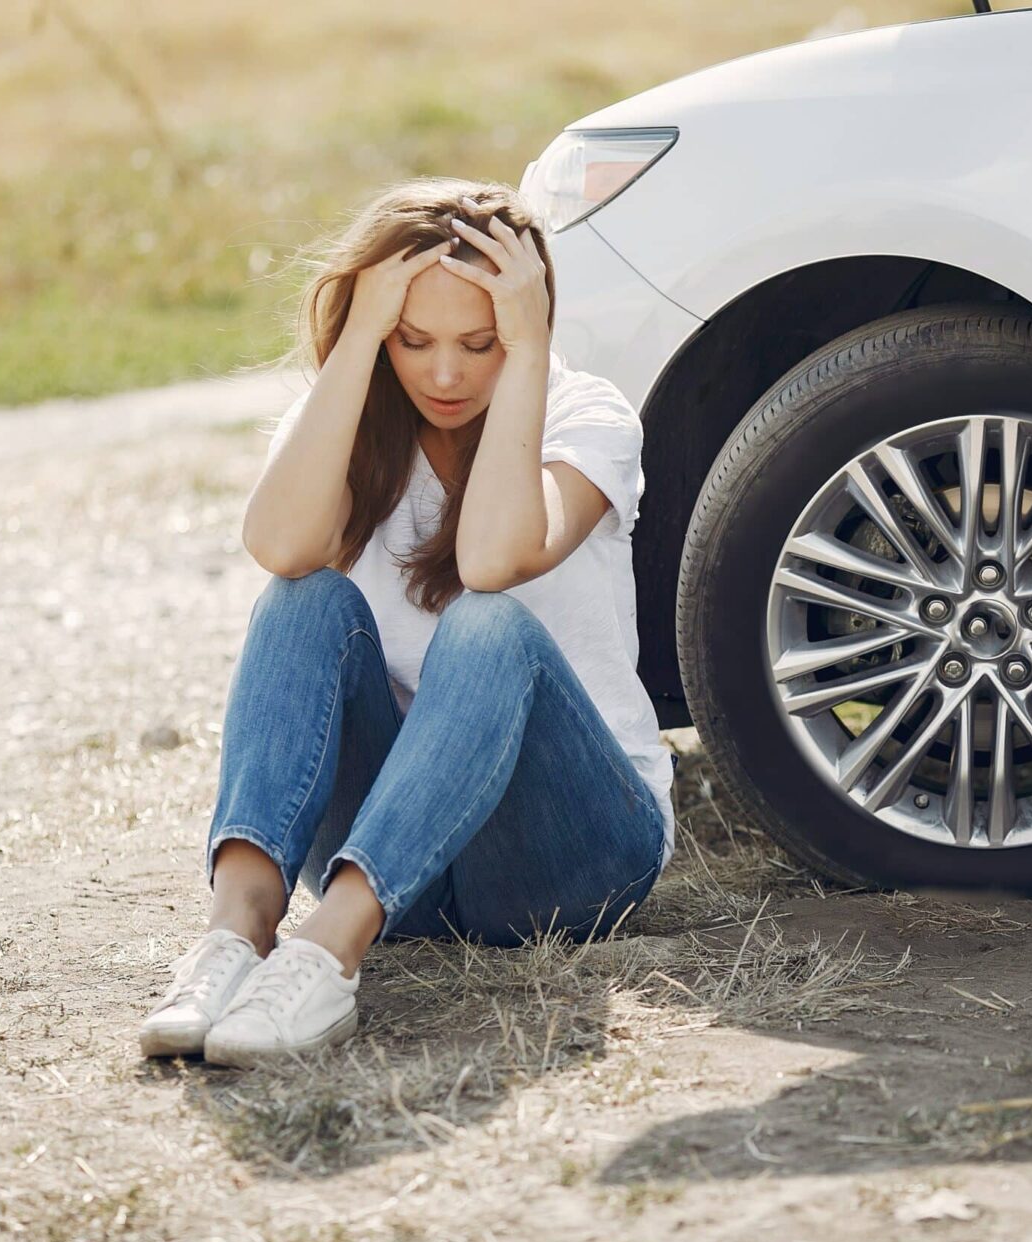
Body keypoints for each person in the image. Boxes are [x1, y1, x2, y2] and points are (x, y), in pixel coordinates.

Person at [138, 177, 676, 1068]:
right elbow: (278, 545)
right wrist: (356, 337)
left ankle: (326, 954)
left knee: (488, 624)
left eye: (479, 342)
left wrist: (531, 351)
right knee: (302, 595)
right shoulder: (344, 422)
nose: (445, 373)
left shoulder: (587, 417)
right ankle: (235, 938)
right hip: (403, 867)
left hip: (573, 851)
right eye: (414, 340)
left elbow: (492, 560)